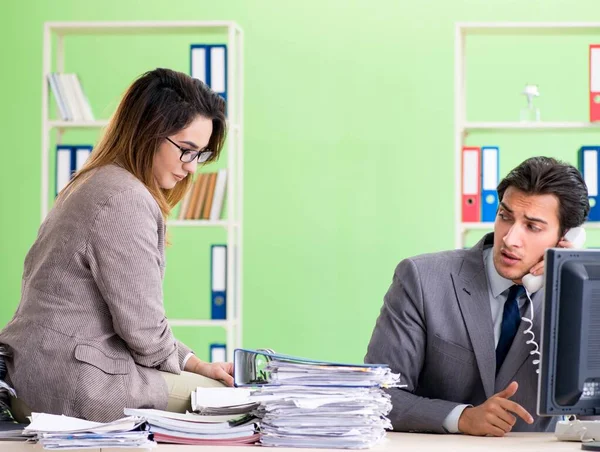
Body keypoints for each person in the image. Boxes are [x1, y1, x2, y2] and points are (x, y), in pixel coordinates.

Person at [0, 68, 232, 423]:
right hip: (75, 381)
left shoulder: (93, 181)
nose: (192, 168)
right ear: (148, 130)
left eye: (199, 155)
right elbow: (144, 334)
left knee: (208, 387)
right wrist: (201, 369)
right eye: (186, 151)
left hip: (36, 369)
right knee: (228, 403)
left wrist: (197, 363)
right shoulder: (124, 198)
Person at [365, 156, 590, 436]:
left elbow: (592, 409)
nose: (510, 239)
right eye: (505, 216)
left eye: (532, 227)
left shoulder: (580, 295)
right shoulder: (420, 279)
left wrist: (577, 293)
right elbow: (378, 396)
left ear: (564, 237)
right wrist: (461, 418)